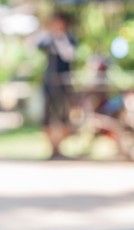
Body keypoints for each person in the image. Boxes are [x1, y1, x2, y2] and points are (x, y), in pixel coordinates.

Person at [37, 12, 76, 159]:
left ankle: (60, 147)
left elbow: (70, 55)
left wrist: (61, 40)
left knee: (64, 115)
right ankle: (51, 148)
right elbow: (34, 44)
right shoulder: (47, 39)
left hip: (63, 83)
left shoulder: (69, 39)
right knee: (47, 116)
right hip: (49, 82)